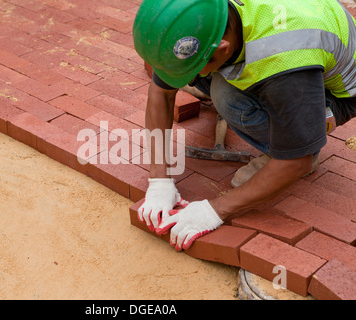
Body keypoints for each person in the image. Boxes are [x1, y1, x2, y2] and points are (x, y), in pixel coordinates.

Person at [132, 0, 356, 251]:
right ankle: (205, 75)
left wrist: (214, 210)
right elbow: (161, 93)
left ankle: (296, 144)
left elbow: (297, 161)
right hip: (284, 54)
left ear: (222, 49)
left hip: (330, 93)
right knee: (207, 78)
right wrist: (159, 180)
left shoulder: (284, 61)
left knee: (226, 97)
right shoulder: (208, 15)